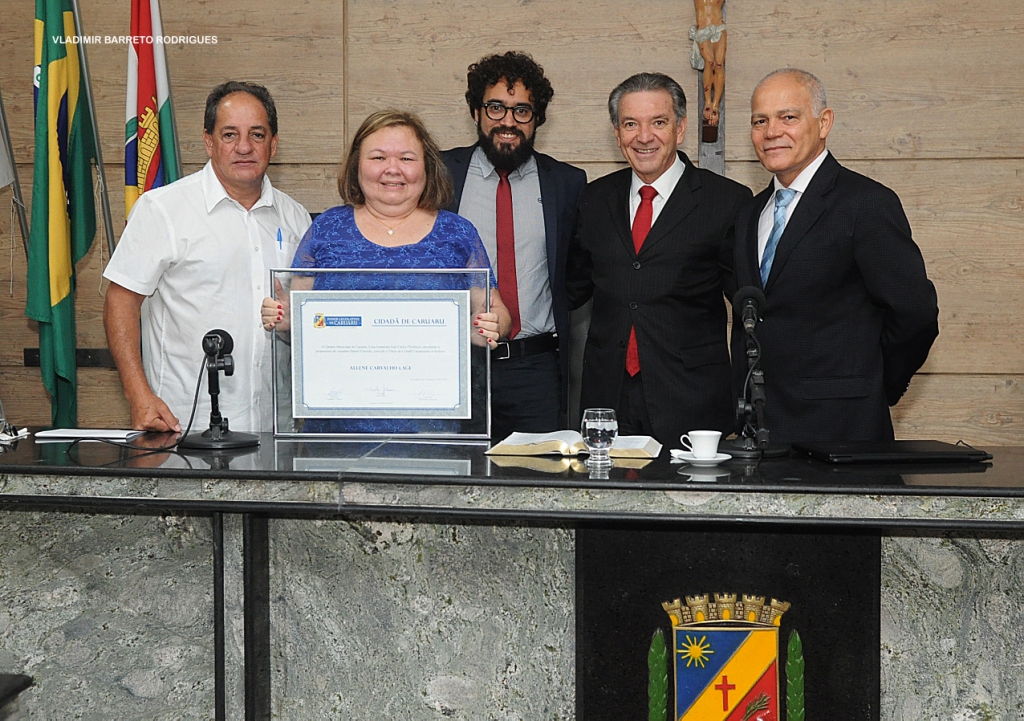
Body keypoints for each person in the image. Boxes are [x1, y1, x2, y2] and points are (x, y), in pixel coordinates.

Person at [262, 109, 510, 434]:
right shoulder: (326, 229)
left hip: (434, 428)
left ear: (427, 166)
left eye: (407, 158)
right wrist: (283, 319)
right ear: (357, 165)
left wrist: (492, 325)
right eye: (378, 157)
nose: (392, 169)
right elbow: (297, 318)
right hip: (335, 427)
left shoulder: (458, 233)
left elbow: (496, 312)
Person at [732, 68, 939, 442]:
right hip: (761, 432)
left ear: (824, 122)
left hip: (844, 429)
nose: (771, 131)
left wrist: (871, 386)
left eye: (788, 117)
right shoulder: (750, 213)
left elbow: (915, 314)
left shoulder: (866, 203)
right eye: (759, 121)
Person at [104, 81, 311, 434]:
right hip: (183, 424)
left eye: (257, 135)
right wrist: (137, 394)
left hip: (276, 427)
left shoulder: (296, 218)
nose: (244, 147)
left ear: (273, 144)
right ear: (208, 141)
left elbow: (304, 318)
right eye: (229, 134)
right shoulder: (163, 209)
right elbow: (119, 302)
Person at [565, 72, 752, 447]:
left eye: (659, 122)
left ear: (680, 128)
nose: (644, 136)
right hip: (607, 400)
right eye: (630, 124)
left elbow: (750, 307)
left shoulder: (726, 201)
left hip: (692, 399)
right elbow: (571, 289)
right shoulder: (593, 200)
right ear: (617, 134)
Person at [443, 51, 587, 441]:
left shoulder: (567, 183)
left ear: (537, 119)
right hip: (452, 363)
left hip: (534, 370)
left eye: (522, 111)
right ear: (476, 112)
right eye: (496, 108)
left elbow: (577, 272)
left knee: (536, 488)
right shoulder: (438, 174)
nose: (508, 121)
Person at [689, 0, 727, 139]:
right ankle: (707, 102)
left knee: (718, 64)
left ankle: (715, 104)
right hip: (703, 29)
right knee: (709, 62)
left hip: (719, 27)